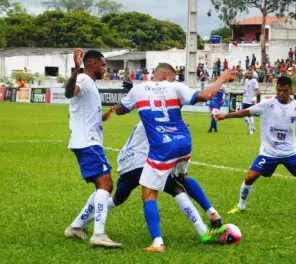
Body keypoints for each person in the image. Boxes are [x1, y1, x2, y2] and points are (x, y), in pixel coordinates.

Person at [113, 64, 235, 252]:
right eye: (174, 76)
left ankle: (157, 243)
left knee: (148, 194)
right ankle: (211, 213)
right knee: (181, 177)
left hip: (162, 147)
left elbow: (120, 110)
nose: (175, 78)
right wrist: (222, 79)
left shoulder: (138, 90)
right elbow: (204, 96)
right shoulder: (176, 87)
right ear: (166, 75)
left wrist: (120, 107)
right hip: (183, 142)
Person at [76, 121, 224, 243]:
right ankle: (202, 231)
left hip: (126, 162)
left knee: (118, 198)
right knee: (176, 189)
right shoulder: (158, 118)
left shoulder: (147, 118)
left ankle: (83, 222)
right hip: (141, 162)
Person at [214, 76, 296, 219]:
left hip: (291, 151)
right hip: (269, 152)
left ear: (291, 89)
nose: (281, 93)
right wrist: (225, 116)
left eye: (285, 91)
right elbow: (247, 111)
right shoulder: (267, 104)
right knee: (249, 177)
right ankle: (240, 206)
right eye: (279, 90)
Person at [63, 48, 121, 248]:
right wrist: (76, 69)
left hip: (87, 142)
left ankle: (76, 226)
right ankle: (98, 234)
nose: (105, 68)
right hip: (88, 143)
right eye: (103, 64)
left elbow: (80, 112)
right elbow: (69, 93)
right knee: (106, 184)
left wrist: (102, 117)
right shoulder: (83, 79)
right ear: (93, 64)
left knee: (102, 186)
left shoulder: (91, 84)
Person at [242, 69, 260, 135]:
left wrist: (255, 97)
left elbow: (257, 90)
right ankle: (252, 127)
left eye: (250, 73)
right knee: (243, 115)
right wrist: (244, 76)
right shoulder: (246, 80)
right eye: (248, 73)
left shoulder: (254, 81)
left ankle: (251, 131)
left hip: (250, 100)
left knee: (249, 115)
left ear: (253, 74)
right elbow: (241, 83)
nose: (249, 74)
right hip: (245, 99)